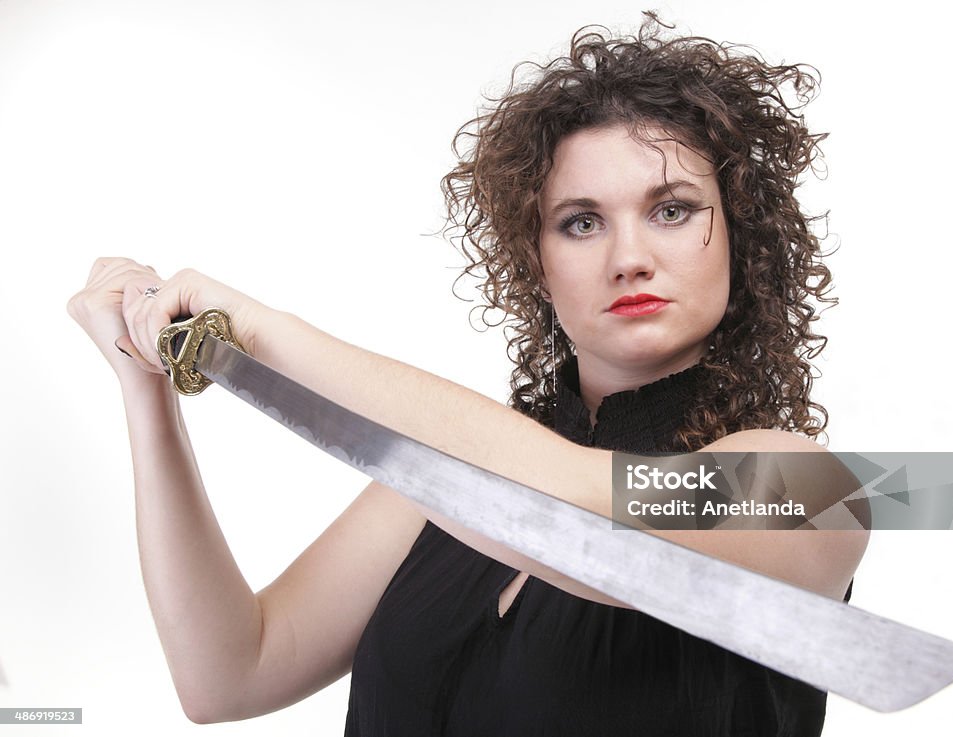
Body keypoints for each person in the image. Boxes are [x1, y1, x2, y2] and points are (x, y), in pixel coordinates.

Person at [66, 15, 868, 736]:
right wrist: (144, 386)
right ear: (538, 264)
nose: (629, 257)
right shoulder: (438, 476)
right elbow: (227, 673)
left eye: (673, 209)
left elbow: (589, 514)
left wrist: (264, 335)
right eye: (580, 222)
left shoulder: (805, 491)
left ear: (741, 236)